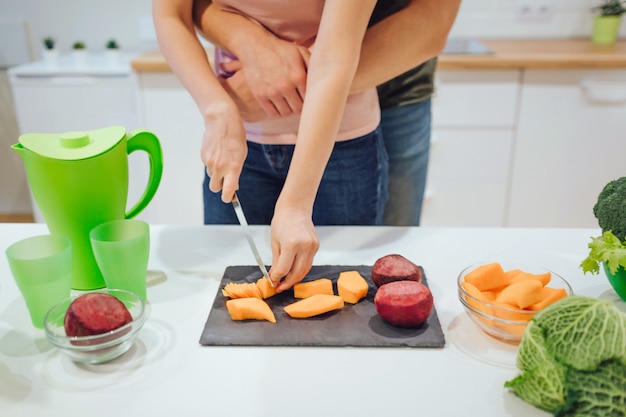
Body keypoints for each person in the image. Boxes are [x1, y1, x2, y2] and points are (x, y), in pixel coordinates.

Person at [152, 0, 381, 292]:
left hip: (343, 144)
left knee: (345, 294)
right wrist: (217, 109)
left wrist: (296, 206)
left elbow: (333, 59)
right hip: (240, 144)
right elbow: (171, 16)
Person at [193, 0, 462, 226]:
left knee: (381, 265)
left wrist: (288, 83)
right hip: (260, 113)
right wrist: (249, 41)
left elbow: (433, 19)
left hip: (393, 88)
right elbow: (185, 9)